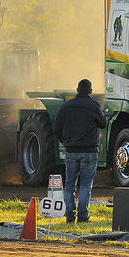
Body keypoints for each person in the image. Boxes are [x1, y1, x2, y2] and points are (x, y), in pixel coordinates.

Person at [54, 79, 107, 224]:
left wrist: (66, 142)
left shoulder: (65, 106)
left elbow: (56, 129)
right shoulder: (93, 105)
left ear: (77, 90)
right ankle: (83, 217)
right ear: (90, 91)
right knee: (86, 184)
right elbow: (103, 124)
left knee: (70, 184)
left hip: (71, 151)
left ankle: (69, 217)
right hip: (89, 151)